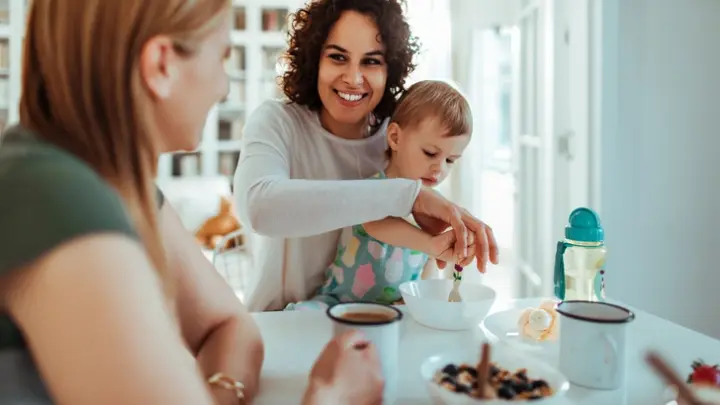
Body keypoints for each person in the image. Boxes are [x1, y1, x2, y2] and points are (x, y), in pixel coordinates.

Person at [0, 1, 384, 404]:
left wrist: (216, 396)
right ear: (162, 65)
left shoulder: (109, 180)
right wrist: (331, 398)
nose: (225, 86)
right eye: (222, 56)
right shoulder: (60, 199)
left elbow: (230, 325)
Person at [234, 0, 500, 312]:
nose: (353, 77)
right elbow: (259, 208)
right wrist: (409, 196)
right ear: (314, 59)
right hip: (279, 321)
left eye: (371, 62)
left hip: (371, 328)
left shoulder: (403, 139)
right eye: (337, 57)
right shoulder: (278, 121)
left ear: (391, 69)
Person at [285, 80, 476, 310]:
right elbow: (375, 222)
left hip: (390, 313)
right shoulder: (372, 191)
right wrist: (431, 244)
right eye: (430, 153)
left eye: (450, 161)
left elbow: (428, 270)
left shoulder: (436, 212)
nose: (440, 169)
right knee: (301, 317)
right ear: (395, 138)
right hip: (337, 304)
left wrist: (417, 298)